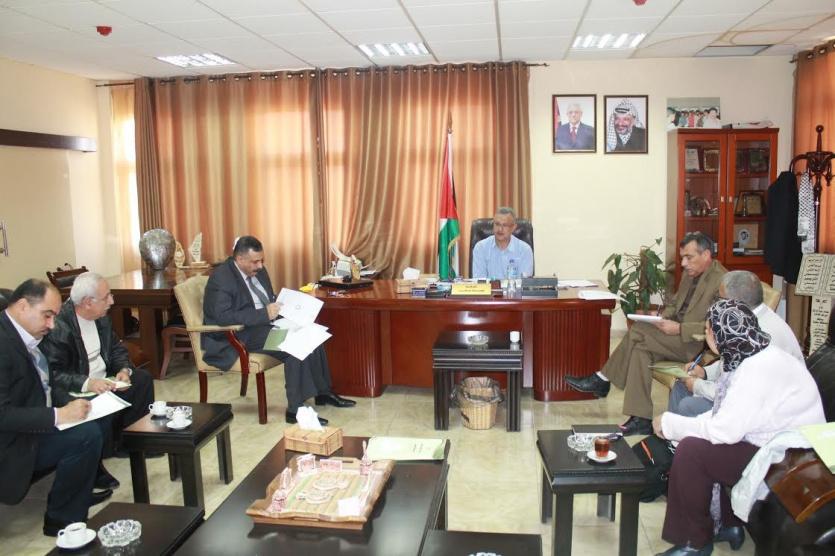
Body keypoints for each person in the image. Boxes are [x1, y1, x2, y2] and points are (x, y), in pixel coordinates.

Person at [652, 300, 824, 556]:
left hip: (790, 456)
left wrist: (670, 424)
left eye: (708, 330)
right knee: (700, 442)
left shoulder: (756, 369)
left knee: (692, 452)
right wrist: (679, 425)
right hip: (777, 442)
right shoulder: (750, 354)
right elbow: (725, 414)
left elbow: (724, 431)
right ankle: (727, 526)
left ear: (721, 335)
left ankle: (695, 543)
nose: (706, 335)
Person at [566, 232, 726, 435]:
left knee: (638, 330)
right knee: (640, 350)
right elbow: (675, 304)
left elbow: (719, 325)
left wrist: (679, 328)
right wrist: (661, 318)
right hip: (672, 338)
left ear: (706, 255)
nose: (684, 263)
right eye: (682, 257)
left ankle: (602, 379)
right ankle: (640, 418)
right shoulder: (690, 273)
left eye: (689, 257)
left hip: (695, 343)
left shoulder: (722, 281)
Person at [202, 235, 355, 425]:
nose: (260, 266)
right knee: (294, 344)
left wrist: (288, 306)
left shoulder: (258, 270)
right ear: (239, 259)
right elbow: (222, 316)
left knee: (311, 332)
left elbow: (267, 297)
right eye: (255, 262)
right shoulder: (222, 278)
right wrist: (263, 314)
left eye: (262, 260)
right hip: (238, 334)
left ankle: (323, 392)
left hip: (264, 325)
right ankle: (295, 409)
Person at [0, 279, 111, 536]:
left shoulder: (24, 335)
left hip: (32, 419)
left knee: (94, 414)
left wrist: (71, 403)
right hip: (12, 440)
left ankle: (77, 496)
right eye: (47, 316)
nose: (51, 325)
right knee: (84, 436)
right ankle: (62, 520)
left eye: (54, 317)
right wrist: (58, 415)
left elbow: (45, 385)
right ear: (23, 306)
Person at [41, 272, 156, 479]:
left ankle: (131, 443)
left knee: (142, 379)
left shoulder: (100, 317)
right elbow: (53, 373)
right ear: (87, 302)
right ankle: (94, 466)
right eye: (106, 297)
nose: (112, 301)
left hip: (105, 379)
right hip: (77, 387)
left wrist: (123, 370)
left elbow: (116, 349)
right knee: (97, 405)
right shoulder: (59, 327)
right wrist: (88, 383)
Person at [668, 270, 803, 417]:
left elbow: (735, 393)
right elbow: (730, 363)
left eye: (720, 299)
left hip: (765, 409)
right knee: (681, 386)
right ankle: (672, 430)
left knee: (688, 405)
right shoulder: (747, 319)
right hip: (742, 393)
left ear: (735, 302)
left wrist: (697, 386)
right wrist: (705, 373)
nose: (717, 304)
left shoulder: (759, 334)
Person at [471, 207, 533, 279]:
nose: (500, 229)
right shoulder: (481, 248)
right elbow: (479, 281)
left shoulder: (524, 250)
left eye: (505, 225)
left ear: (513, 227)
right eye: (497, 224)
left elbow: (524, 282)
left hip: (514, 287)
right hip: (489, 287)